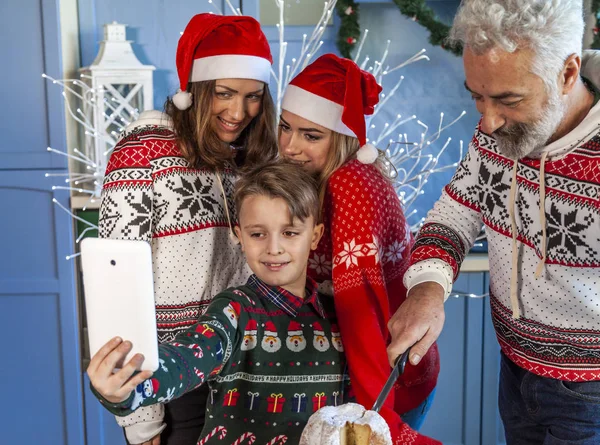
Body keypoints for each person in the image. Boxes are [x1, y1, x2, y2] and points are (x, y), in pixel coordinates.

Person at [386, 1, 600, 444]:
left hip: (590, 394)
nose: (487, 120)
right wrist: (427, 290)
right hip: (514, 369)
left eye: (508, 100)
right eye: (476, 95)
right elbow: (455, 212)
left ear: (566, 73)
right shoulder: (495, 133)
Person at [97, 13, 277, 445]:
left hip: (251, 370)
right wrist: (141, 419)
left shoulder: (249, 158)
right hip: (175, 378)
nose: (239, 112)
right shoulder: (144, 150)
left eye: (253, 96)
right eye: (224, 93)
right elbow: (119, 281)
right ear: (193, 89)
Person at [88, 161, 349, 445]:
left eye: (289, 233)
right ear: (240, 236)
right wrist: (127, 389)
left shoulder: (336, 315)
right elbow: (186, 360)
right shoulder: (234, 311)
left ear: (315, 236)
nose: (274, 248)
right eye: (258, 234)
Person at [279, 53, 440, 444]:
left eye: (311, 135)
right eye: (285, 128)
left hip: (382, 384)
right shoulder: (321, 177)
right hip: (360, 378)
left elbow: (362, 308)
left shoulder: (350, 186)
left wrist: (379, 420)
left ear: (343, 137)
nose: (290, 146)